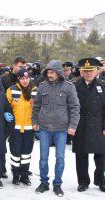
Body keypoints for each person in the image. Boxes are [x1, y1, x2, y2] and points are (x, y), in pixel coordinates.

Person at [32, 60, 80, 197]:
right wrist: (34, 121)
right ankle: (44, 182)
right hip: (44, 129)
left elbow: (75, 107)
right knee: (43, 158)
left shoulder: (68, 87)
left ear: (59, 73)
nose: (49, 74)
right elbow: (36, 106)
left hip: (61, 130)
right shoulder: (42, 87)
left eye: (52, 72)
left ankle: (57, 184)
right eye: (48, 72)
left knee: (60, 158)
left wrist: (73, 126)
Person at [73, 58, 105, 193]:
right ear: (81, 71)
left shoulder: (103, 86)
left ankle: (100, 181)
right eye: (85, 70)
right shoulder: (74, 86)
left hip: (99, 125)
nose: (88, 73)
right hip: (80, 124)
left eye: (91, 70)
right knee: (81, 156)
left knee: (101, 155)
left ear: (97, 71)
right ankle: (83, 182)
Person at [6, 69, 37, 186]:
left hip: (29, 128)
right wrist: (6, 115)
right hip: (16, 128)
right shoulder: (11, 90)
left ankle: (24, 175)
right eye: (22, 78)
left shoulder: (35, 91)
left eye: (27, 78)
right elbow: (6, 106)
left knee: (26, 153)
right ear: (18, 79)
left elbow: (38, 109)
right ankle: (15, 175)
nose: (25, 80)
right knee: (15, 153)